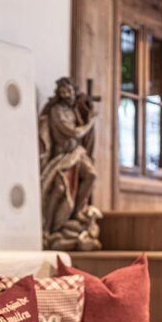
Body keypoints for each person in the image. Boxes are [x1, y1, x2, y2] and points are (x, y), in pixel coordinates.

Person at [38, 78, 101, 250]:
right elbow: (74, 132)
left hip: (77, 154)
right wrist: (91, 122)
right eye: (63, 91)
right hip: (62, 156)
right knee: (59, 189)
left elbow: (83, 128)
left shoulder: (73, 111)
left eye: (69, 90)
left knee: (91, 175)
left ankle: (77, 211)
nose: (67, 94)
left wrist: (87, 111)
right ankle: (48, 228)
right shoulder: (57, 111)